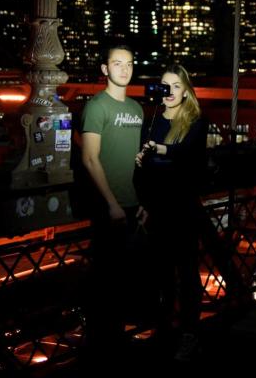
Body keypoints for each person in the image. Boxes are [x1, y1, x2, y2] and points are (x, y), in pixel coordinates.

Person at [135, 63, 207, 362]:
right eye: (165, 86)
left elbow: (190, 155)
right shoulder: (153, 121)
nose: (169, 92)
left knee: (187, 274)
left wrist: (161, 151)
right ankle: (163, 330)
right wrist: (142, 160)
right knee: (161, 275)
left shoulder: (196, 121)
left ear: (186, 91)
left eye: (176, 86)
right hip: (159, 209)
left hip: (185, 208)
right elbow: (146, 170)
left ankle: (190, 333)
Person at [80, 44, 144, 356]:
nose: (124, 69)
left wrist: (141, 200)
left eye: (129, 63)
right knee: (104, 280)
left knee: (124, 280)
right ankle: (98, 347)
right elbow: (90, 159)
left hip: (132, 205)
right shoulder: (96, 107)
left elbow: (136, 160)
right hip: (108, 207)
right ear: (105, 69)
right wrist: (111, 203)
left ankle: (116, 341)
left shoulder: (137, 109)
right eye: (117, 63)